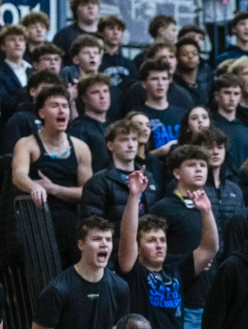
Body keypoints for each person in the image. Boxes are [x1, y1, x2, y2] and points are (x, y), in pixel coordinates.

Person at [118, 164, 218, 329]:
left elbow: (210, 249)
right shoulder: (134, 271)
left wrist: (206, 211)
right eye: (151, 240)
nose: (159, 246)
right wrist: (134, 196)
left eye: (162, 240)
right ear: (138, 247)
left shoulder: (176, 271)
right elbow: (128, 236)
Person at [12, 85, 93, 266]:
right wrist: (35, 186)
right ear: (42, 113)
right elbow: (18, 175)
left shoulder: (80, 147)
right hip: (38, 220)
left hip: (71, 221)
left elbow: (88, 192)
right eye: (55, 105)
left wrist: (54, 189)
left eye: (65, 106)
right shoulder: (27, 144)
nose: (62, 110)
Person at [30, 216, 130, 329]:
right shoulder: (58, 289)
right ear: (81, 244)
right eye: (97, 239)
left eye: (108, 239)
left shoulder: (121, 287)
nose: (104, 244)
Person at [81, 119, 160, 257]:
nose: (130, 145)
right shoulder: (98, 182)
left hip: (147, 254)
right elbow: (94, 228)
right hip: (117, 254)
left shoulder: (149, 177)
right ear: (110, 145)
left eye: (134, 139)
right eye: (124, 140)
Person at [1, 69, 63, 154]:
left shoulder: (58, 121)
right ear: (32, 91)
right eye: (45, 89)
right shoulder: (20, 119)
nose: (49, 94)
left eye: (53, 91)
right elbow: (10, 156)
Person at [135, 58, 187, 151]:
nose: (160, 83)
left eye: (164, 78)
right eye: (155, 79)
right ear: (144, 84)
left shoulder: (183, 114)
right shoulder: (137, 116)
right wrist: (160, 152)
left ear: (169, 82)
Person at [211, 73, 248, 173]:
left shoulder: (247, 132)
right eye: (227, 93)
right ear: (217, 96)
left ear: (240, 97)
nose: (232, 98)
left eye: (236, 94)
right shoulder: (208, 127)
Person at [69, 73, 112, 173]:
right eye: (95, 92)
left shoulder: (113, 125)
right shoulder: (78, 128)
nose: (102, 96)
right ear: (84, 98)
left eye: (105, 91)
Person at [53, 0, 100, 64]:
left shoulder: (106, 35)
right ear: (76, 10)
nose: (90, 7)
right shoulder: (63, 35)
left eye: (94, 4)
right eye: (84, 4)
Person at [99, 15, 138, 90]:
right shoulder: (96, 61)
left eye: (119, 29)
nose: (115, 32)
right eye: (111, 28)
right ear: (101, 33)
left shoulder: (129, 64)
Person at [174, 38, 212, 106]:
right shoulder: (175, 84)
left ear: (199, 58)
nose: (190, 56)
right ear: (177, 59)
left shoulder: (205, 85)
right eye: (185, 54)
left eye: (194, 54)